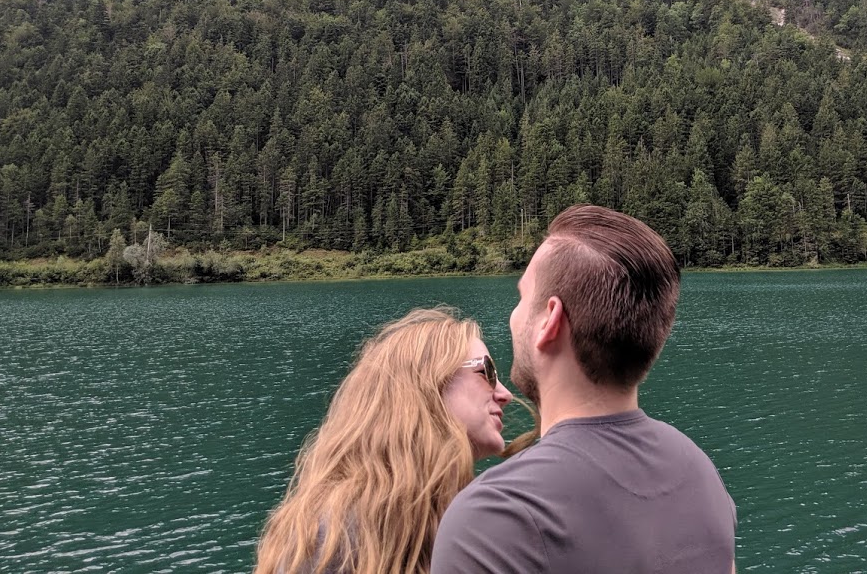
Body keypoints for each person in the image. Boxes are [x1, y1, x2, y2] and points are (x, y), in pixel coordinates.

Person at [432, 204, 737, 574]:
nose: (513, 316)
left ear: (549, 320)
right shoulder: (701, 475)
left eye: (521, 297)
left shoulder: (494, 517)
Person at [254, 307, 515, 574]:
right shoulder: (329, 538)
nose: (505, 394)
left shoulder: (446, 513)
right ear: (429, 383)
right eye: (487, 372)